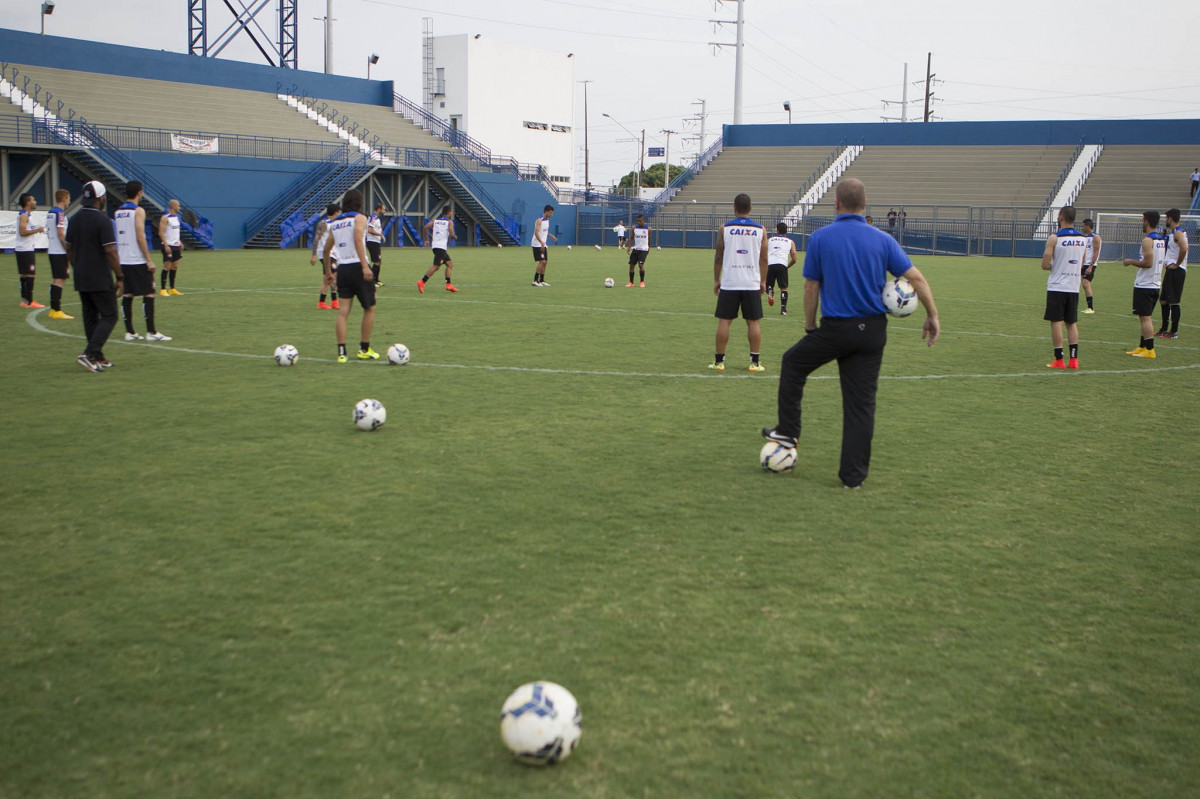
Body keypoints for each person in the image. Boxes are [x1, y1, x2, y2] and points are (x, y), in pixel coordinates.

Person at [762, 178, 939, 489]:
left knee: (793, 363)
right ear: (865, 206)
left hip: (836, 329)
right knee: (860, 404)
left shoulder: (820, 238)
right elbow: (917, 279)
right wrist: (932, 315)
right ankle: (853, 478)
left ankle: (788, 431)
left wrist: (809, 326)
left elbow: (810, 286)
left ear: (836, 204)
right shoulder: (882, 239)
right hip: (872, 332)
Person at [65, 181, 121, 372]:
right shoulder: (102, 221)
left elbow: (69, 247)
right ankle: (89, 353)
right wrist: (120, 276)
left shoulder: (74, 219)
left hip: (81, 274)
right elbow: (111, 251)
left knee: (90, 316)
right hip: (99, 275)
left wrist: (76, 266)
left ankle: (97, 357)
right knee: (110, 315)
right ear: (101, 198)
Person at [710, 193, 768, 373]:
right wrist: (764, 281)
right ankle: (754, 362)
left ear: (734, 208)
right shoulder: (761, 230)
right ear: (750, 208)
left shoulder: (724, 228)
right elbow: (764, 258)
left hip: (730, 281)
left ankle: (719, 362)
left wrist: (716, 279)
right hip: (751, 281)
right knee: (753, 322)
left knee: (724, 322)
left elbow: (719, 256)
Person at [322, 189, 378, 363]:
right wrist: (364, 266)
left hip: (343, 268)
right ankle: (364, 348)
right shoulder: (360, 218)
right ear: (359, 203)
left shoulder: (336, 223)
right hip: (357, 266)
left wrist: (328, 273)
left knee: (343, 312)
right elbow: (357, 238)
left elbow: (325, 250)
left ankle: (341, 352)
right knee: (369, 308)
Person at [115, 181, 171, 342]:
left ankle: (130, 332)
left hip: (123, 258)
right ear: (140, 192)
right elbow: (140, 236)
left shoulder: (118, 212)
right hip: (137, 258)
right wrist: (148, 260)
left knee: (128, 293)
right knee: (149, 293)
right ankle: (151, 332)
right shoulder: (138, 211)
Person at [1040, 206, 1086, 370]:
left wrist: (1056, 266)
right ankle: (1074, 360)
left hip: (1058, 285)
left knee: (1056, 322)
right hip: (1074, 286)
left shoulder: (1055, 238)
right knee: (1071, 322)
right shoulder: (1083, 239)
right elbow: (1081, 262)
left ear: (1060, 217)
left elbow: (1045, 264)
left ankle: (1059, 359)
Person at [1121, 210, 1167, 359]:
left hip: (1145, 284)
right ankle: (1142, 346)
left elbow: (1148, 263)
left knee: (1145, 317)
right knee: (1143, 316)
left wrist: (1130, 261)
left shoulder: (1148, 241)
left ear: (1146, 221)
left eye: (1142, 220)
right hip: (1154, 283)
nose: (1142, 223)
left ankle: (1150, 349)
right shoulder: (1160, 240)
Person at [1157, 208, 1189, 339]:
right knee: (1164, 300)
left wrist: (1177, 264)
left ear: (1170, 218)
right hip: (1171, 271)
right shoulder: (1173, 233)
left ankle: (1173, 332)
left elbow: (1184, 248)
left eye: (1166, 218)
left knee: (1173, 301)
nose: (1165, 220)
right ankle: (1164, 329)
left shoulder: (1178, 233)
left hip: (1177, 271)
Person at [46, 188, 74, 319]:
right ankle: (56, 310)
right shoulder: (60, 214)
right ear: (64, 199)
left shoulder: (50, 212)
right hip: (59, 251)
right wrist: (67, 249)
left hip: (52, 249)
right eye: (68, 198)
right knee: (61, 279)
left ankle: (53, 309)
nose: (69, 201)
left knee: (56, 278)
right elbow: (61, 234)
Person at [15, 192, 46, 309]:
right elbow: (22, 232)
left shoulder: (27, 214)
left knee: (24, 274)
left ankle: (24, 300)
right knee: (30, 273)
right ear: (28, 202)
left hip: (24, 248)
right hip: (25, 249)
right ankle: (30, 301)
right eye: (33, 200)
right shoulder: (24, 215)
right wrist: (37, 230)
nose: (35, 202)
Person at [418, 205, 459, 293]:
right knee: (436, 266)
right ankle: (422, 281)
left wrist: (426, 240)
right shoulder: (449, 222)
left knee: (449, 264)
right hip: (441, 247)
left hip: (435, 246)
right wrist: (454, 236)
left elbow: (426, 227)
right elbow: (452, 233)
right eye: (451, 212)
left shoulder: (435, 221)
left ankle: (448, 284)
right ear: (448, 212)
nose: (452, 213)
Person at [312, 203, 340, 309]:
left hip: (333, 253)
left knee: (327, 277)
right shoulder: (324, 223)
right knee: (333, 274)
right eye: (339, 212)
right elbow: (316, 238)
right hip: (324, 253)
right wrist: (314, 255)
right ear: (336, 212)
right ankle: (333, 300)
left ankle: (324, 302)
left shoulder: (337, 223)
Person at [766, 222, 797, 316]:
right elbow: (795, 259)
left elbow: (761, 252)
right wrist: (786, 266)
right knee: (783, 288)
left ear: (777, 230)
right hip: (782, 265)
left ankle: (770, 292)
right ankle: (783, 310)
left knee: (769, 285)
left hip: (770, 264)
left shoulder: (770, 240)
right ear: (786, 231)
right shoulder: (790, 242)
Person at [157, 199, 183, 296]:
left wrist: (180, 242)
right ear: (173, 206)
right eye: (178, 206)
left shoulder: (176, 218)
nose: (179, 208)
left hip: (176, 245)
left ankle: (172, 288)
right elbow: (161, 232)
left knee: (175, 266)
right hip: (168, 245)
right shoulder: (165, 218)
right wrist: (166, 245)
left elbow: (175, 232)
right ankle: (163, 289)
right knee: (167, 266)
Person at [531, 205, 556, 286]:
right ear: (546, 211)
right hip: (537, 244)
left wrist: (551, 236)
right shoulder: (539, 220)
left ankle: (542, 280)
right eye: (550, 213)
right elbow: (536, 232)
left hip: (543, 244)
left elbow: (544, 231)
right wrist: (541, 242)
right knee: (542, 261)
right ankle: (535, 280)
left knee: (545, 262)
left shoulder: (547, 220)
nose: (551, 214)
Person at [1080, 217, 1101, 314]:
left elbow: (1096, 252)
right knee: (1079, 283)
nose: (1082, 228)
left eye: (1083, 226)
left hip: (1089, 264)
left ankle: (1091, 308)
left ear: (1088, 226)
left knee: (1086, 284)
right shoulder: (1086, 237)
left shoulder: (1095, 237)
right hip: (1084, 264)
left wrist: (1091, 266)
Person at [626, 214, 650, 287]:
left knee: (641, 265)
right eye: (637, 221)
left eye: (640, 221)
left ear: (643, 220)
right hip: (636, 249)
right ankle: (631, 282)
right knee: (631, 266)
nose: (639, 222)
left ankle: (642, 282)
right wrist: (629, 248)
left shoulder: (648, 229)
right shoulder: (634, 228)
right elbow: (631, 238)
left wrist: (648, 249)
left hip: (644, 250)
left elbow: (649, 240)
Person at [366, 202, 385, 286]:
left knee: (379, 261)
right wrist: (380, 235)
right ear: (379, 209)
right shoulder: (373, 217)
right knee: (376, 261)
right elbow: (370, 230)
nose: (384, 211)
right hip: (372, 242)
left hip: (376, 242)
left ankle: (376, 279)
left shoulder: (377, 218)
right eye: (383, 209)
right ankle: (372, 281)